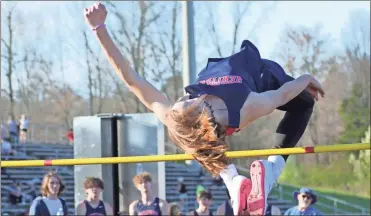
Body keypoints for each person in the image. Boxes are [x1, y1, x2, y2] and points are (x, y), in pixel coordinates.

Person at [84, 3, 324, 215]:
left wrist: (100, 29)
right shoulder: (244, 108)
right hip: (262, 75)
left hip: (239, 83)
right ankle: (268, 172)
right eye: (186, 102)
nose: (182, 99)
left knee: (191, 140)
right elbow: (283, 93)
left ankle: (234, 180)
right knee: (303, 104)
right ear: (198, 108)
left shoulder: (178, 114)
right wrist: (305, 78)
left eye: (181, 102)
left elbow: (130, 78)